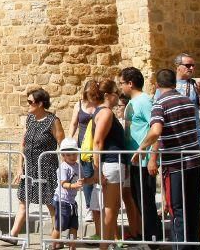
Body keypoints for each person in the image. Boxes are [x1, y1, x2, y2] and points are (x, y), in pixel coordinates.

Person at [134, 69, 200, 250]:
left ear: (157, 85)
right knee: (193, 208)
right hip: (195, 161)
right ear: (174, 83)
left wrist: (142, 148)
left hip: (175, 166)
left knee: (177, 209)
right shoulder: (188, 102)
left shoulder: (160, 104)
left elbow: (156, 131)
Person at [4, 87, 64, 245]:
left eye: (30, 102)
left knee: (50, 203)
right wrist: (19, 166)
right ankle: (13, 234)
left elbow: (63, 145)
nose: (28, 105)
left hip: (47, 168)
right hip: (29, 167)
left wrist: (67, 168)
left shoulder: (53, 121)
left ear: (41, 103)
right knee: (23, 201)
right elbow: (23, 144)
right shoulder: (29, 119)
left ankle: (57, 239)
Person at [89, 79, 139, 248]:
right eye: (116, 93)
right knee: (110, 208)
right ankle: (104, 245)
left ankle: (108, 243)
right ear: (107, 95)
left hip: (114, 164)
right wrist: (97, 171)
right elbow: (97, 142)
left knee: (114, 206)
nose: (119, 96)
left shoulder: (103, 112)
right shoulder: (106, 113)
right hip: (110, 163)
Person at [120, 67, 162, 243]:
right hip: (135, 160)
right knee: (139, 201)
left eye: (122, 83)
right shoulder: (131, 103)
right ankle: (147, 237)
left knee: (146, 203)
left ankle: (154, 240)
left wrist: (153, 157)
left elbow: (157, 129)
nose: (120, 86)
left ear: (130, 83)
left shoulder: (144, 101)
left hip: (145, 161)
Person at [68, 79, 100, 228]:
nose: (89, 97)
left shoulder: (99, 105)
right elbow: (74, 123)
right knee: (86, 176)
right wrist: (68, 142)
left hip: (96, 144)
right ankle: (89, 207)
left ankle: (97, 206)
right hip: (84, 146)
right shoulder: (79, 105)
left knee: (97, 176)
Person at [168, 53, 200, 148]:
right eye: (188, 65)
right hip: (173, 135)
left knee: (196, 163)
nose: (191, 68)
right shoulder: (167, 84)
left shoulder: (196, 85)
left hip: (193, 135)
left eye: (193, 65)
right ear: (178, 66)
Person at [52, 138, 82, 250]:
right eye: (69, 155)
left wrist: (92, 179)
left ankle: (72, 247)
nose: (72, 157)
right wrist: (74, 186)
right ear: (63, 155)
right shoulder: (63, 167)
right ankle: (53, 245)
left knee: (74, 225)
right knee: (60, 226)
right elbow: (63, 184)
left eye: (74, 154)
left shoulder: (78, 166)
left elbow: (83, 179)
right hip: (62, 200)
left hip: (72, 201)